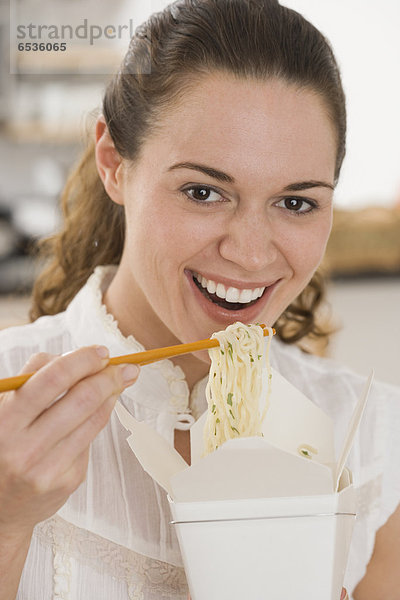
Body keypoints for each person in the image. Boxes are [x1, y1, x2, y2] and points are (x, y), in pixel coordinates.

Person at [0, 0, 399, 598]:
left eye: (296, 203)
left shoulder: (374, 436)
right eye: (203, 191)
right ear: (114, 163)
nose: (250, 253)